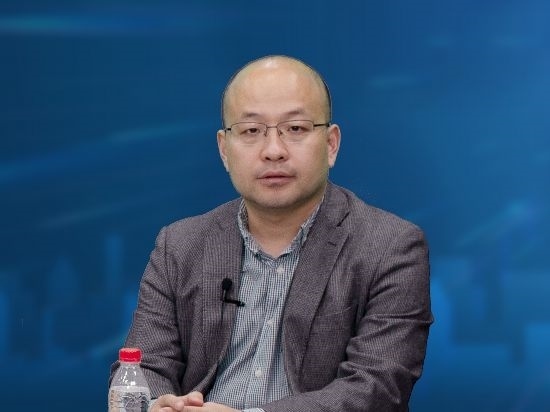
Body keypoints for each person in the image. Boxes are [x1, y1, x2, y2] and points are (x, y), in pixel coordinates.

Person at [110, 55, 433, 412]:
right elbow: (141, 367)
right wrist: (159, 405)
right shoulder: (179, 245)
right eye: (251, 131)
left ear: (331, 144)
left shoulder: (391, 247)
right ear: (224, 149)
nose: (274, 151)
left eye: (295, 128)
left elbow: (378, 388)